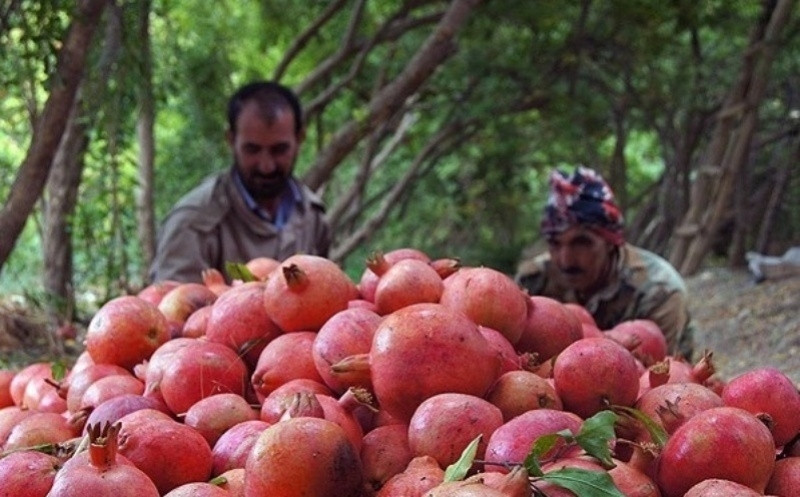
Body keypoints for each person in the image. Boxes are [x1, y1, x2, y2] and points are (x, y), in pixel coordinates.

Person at [149, 80, 331, 283]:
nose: (266, 166)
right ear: (231, 140)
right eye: (252, 149)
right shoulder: (193, 223)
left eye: (279, 150)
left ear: (299, 139)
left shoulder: (312, 216)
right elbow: (172, 307)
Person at [515, 166, 694, 359]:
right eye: (555, 244)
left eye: (581, 243)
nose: (565, 260)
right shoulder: (533, 280)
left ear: (611, 242)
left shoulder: (658, 291)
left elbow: (665, 376)